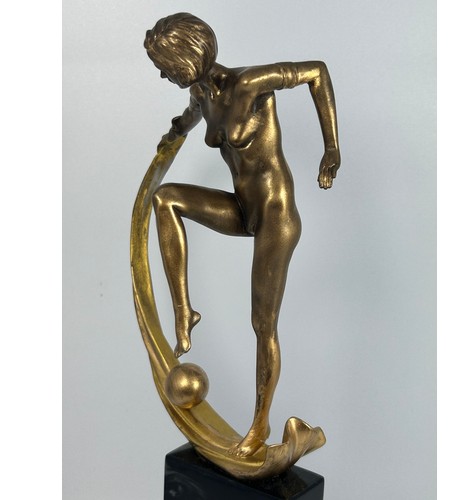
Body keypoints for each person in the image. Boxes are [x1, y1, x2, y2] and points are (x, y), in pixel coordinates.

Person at [144, 12, 341, 457]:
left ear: (185, 57)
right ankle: (184, 312)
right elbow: (188, 118)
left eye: (164, 65)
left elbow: (316, 72)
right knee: (166, 199)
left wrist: (331, 147)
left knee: (262, 324)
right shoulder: (201, 95)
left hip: (274, 215)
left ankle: (259, 425)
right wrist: (172, 135)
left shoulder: (250, 84)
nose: (161, 74)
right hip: (240, 209)